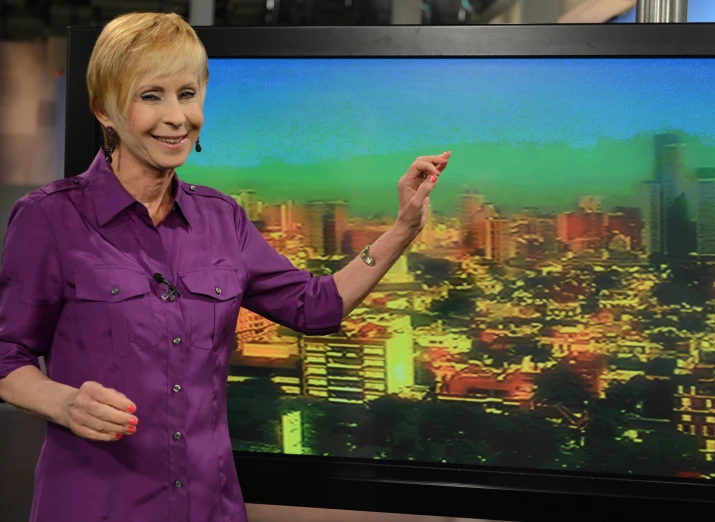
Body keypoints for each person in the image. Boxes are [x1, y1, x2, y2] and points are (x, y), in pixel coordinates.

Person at [0, 12, 450, 522]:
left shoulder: (223, 219)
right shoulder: (50, 217)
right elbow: (6, 356)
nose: (177, 117)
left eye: (187, 94)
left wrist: (404, 229)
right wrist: (63, 403)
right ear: (105, 109)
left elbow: (316, 306)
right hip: (93, 506)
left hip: (210, 508)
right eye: (152, 96)